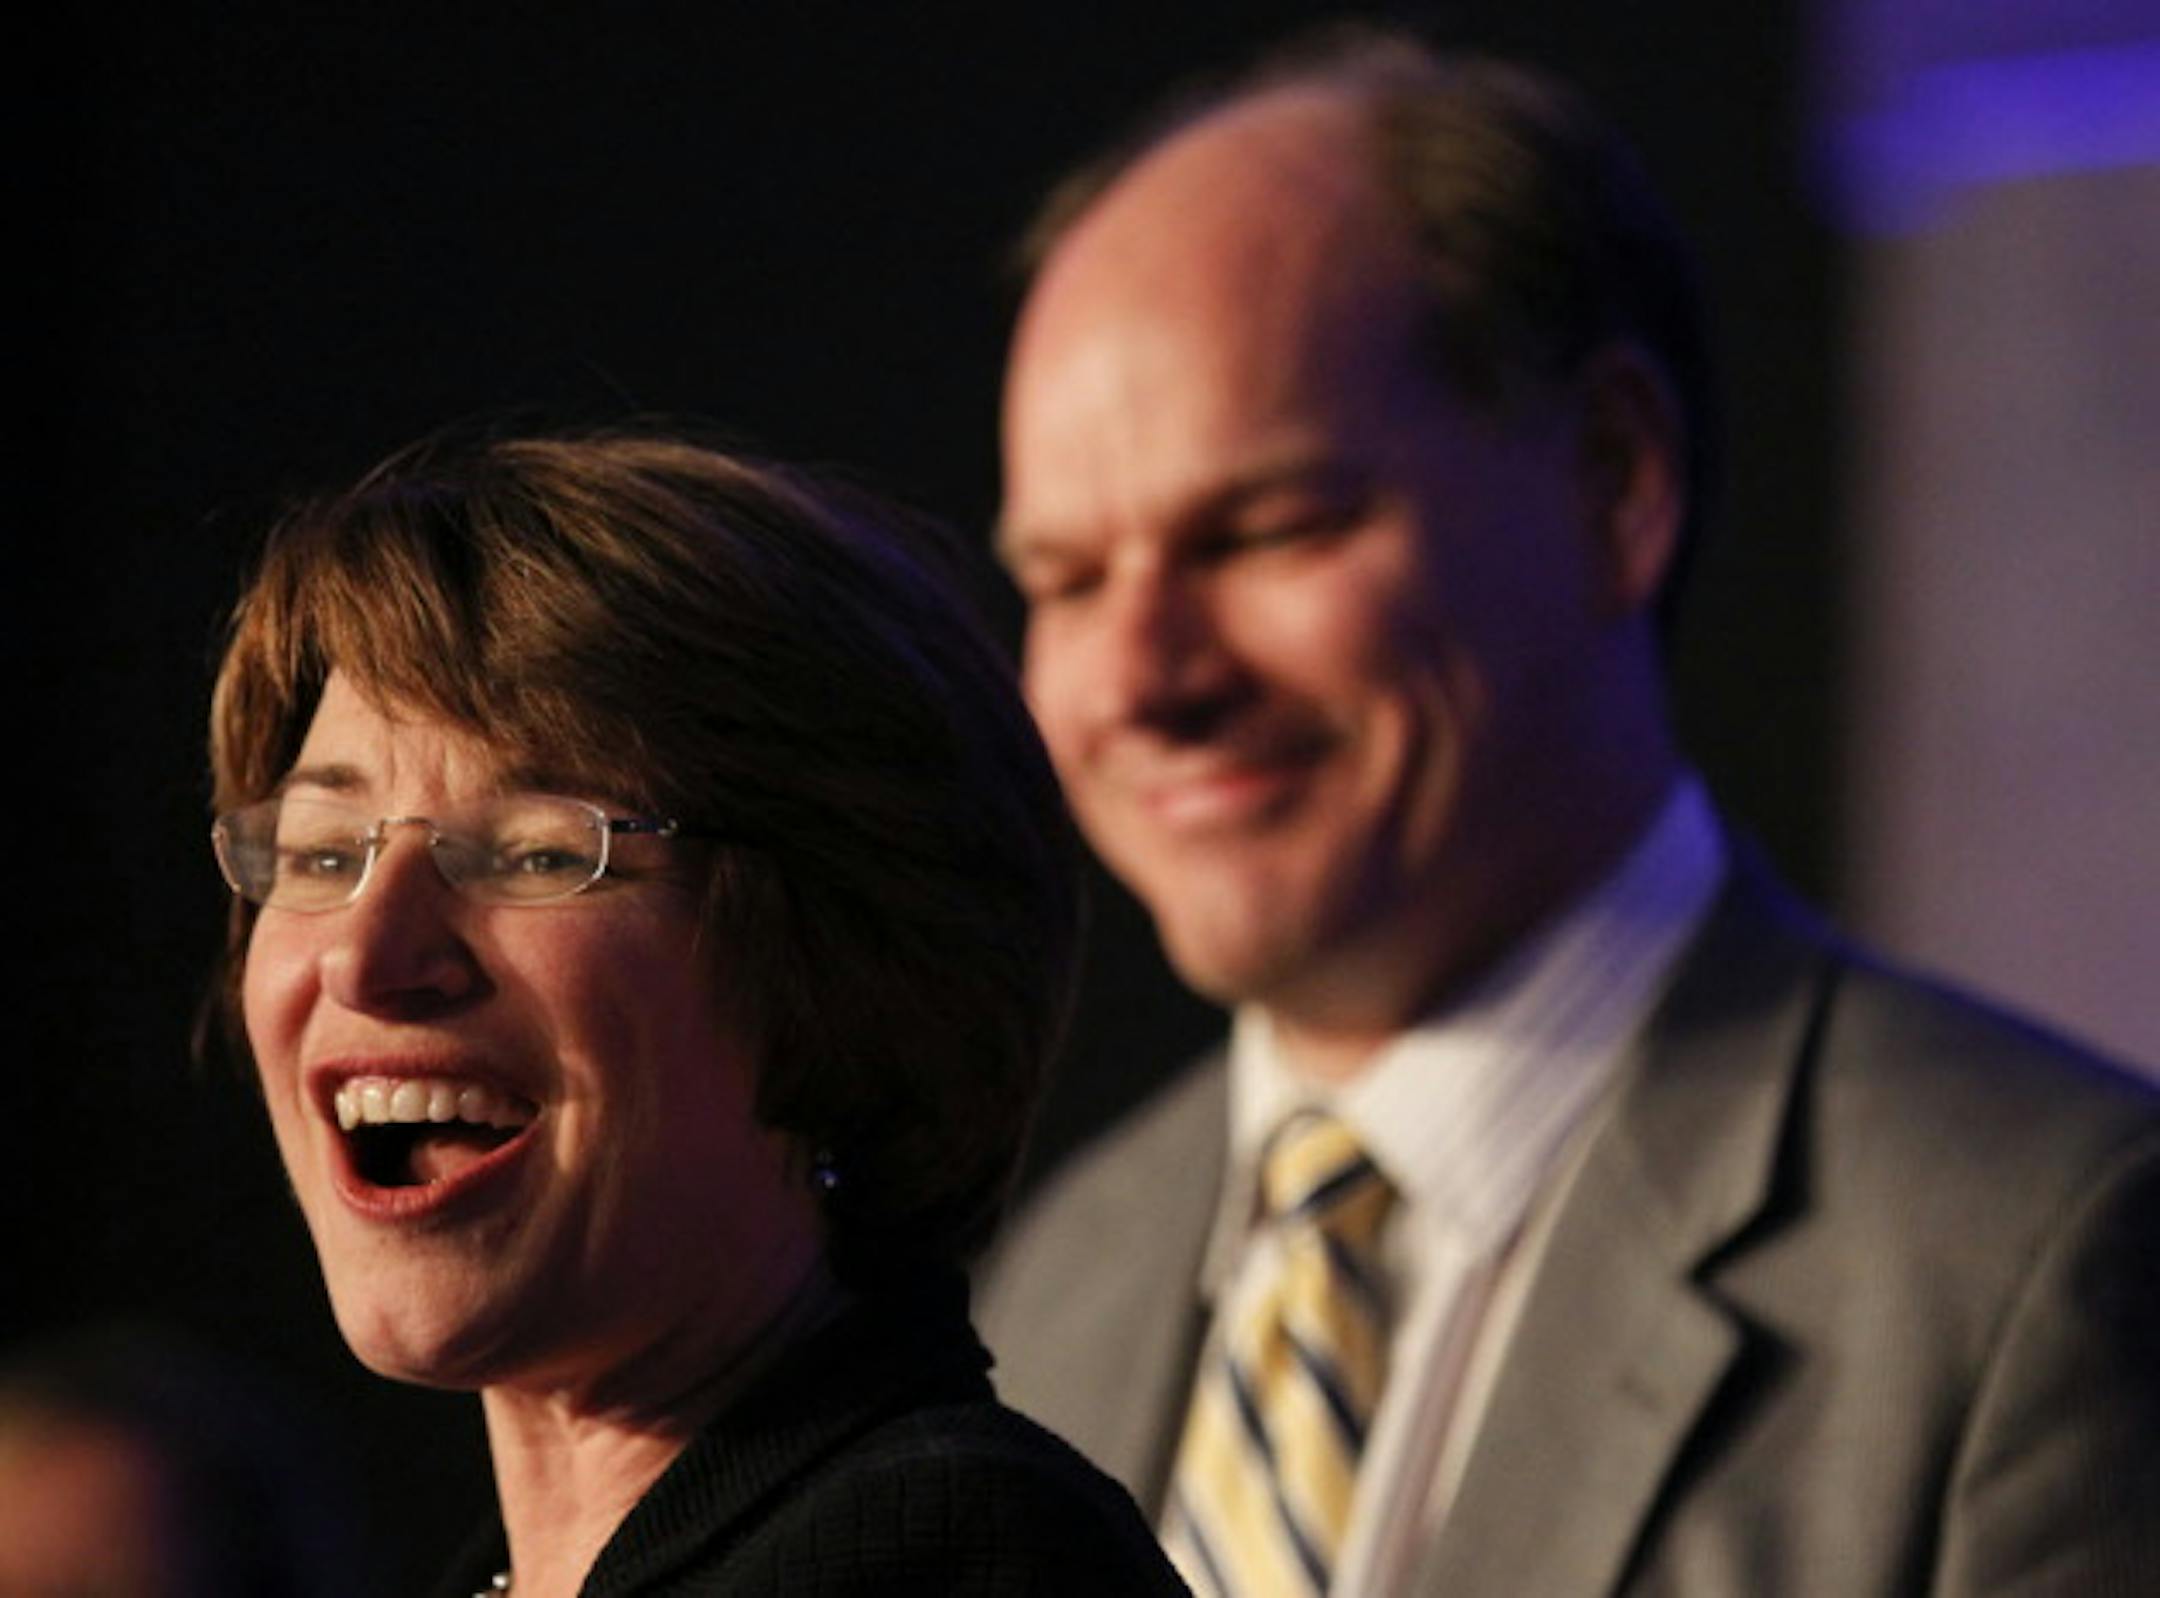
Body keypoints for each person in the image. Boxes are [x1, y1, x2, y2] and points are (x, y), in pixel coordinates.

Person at [976, 28, 2160, 1598]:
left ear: (1615, 482)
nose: (1139, 676)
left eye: (1267, 528)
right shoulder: (1056, 1281)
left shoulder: (2034, 1264)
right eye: (1063, 579)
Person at [202, 429, 1190, 1597]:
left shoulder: (935, 1557)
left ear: (839, 969)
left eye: (533, 851)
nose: (369, 954)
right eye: (322, 852)